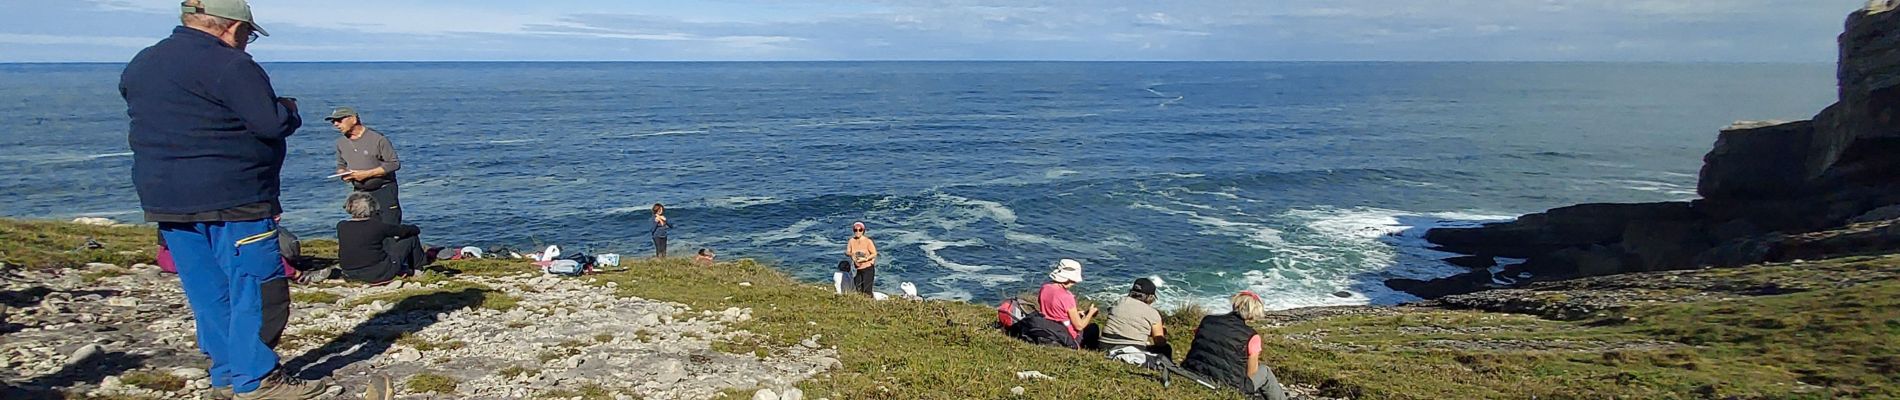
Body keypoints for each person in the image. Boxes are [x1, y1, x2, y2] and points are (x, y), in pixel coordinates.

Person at [120, 0, 326, 398]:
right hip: (235, 197)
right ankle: (258, 379)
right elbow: (268, 124)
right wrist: (288, 109)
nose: (248, 44)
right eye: (249, 35)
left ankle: (228, 374)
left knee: (208, 290)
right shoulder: (231, 65)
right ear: (232, 28)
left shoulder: (142, 63)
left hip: (167, 198)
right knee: (256, 285)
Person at [1180, 291, 1289, 400]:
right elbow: (1251, 373)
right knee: (1264, 372)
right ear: (1253, 313)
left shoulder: (1207, 320)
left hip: (1192, 374)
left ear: (1235, 304)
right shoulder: (1251, 336)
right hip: (1227, 387)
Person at [327, 106, 403, 225]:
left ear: (353, 119)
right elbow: (341, 164)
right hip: (360, 192)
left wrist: (367, 174)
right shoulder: (340, 143)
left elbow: (394, 163)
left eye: (339, 120)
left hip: (383, 190)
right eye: (333, 122)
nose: (336, 124)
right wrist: (343, 173)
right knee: (365, 227)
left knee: (389, 226)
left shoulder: (377, 139)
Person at [335, 192, 427, 283]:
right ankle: (418, 269)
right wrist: (415, 228)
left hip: (349, 273)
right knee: (411, 238)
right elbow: (404, 231)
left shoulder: (341, 226)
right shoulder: (377, 226)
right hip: (377, 274)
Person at [1101, 278, 1172, 365]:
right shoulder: (1153, 313)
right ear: (1150, 297)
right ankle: (1167, 366)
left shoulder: (1119, 302)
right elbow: (1159, 342)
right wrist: (1162, 331)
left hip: (1104, 346)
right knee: (1166, 348)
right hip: (1132, 349)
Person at [1038, 259, 1097, 346]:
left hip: (1048, 329)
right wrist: (1090, 313)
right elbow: (1079, 326)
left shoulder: (1044, 288)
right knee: (1093, 328)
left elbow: (1054, 312)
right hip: (1066, 335)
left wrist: (1076, 314)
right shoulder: (1067, 297)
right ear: (1069, 279)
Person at [845, 222, 878, 295]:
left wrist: (866, 259)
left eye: (860, 230)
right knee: (858, 288)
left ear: (863, 231)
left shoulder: (868, 241)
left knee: (867, 290)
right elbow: (847, 252)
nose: (857, 232)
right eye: (855, 230)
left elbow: (874, 253)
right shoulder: (851, 241)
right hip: (857, 268)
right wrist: (851, 254)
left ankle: (870, 304)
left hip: (867, 268)